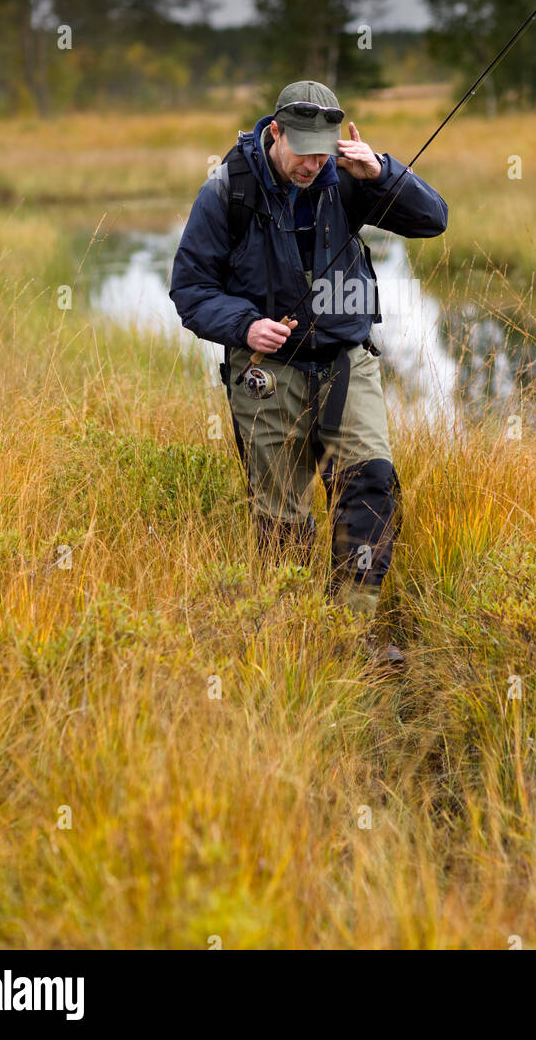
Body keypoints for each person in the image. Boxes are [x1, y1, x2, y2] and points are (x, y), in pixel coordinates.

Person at [169, 79, 448, 668]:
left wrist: (383, 172)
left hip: (346, 358)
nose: (314, 165)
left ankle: (351, 634)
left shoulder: (349, 178)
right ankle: (292, 638)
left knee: (370, 488)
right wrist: (244, 326)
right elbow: (191, 289)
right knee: (282, 518)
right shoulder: (228, 190)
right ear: (275, 133)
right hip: (265, 366)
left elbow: (433, 220)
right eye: (303, 153)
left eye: (323, 153)